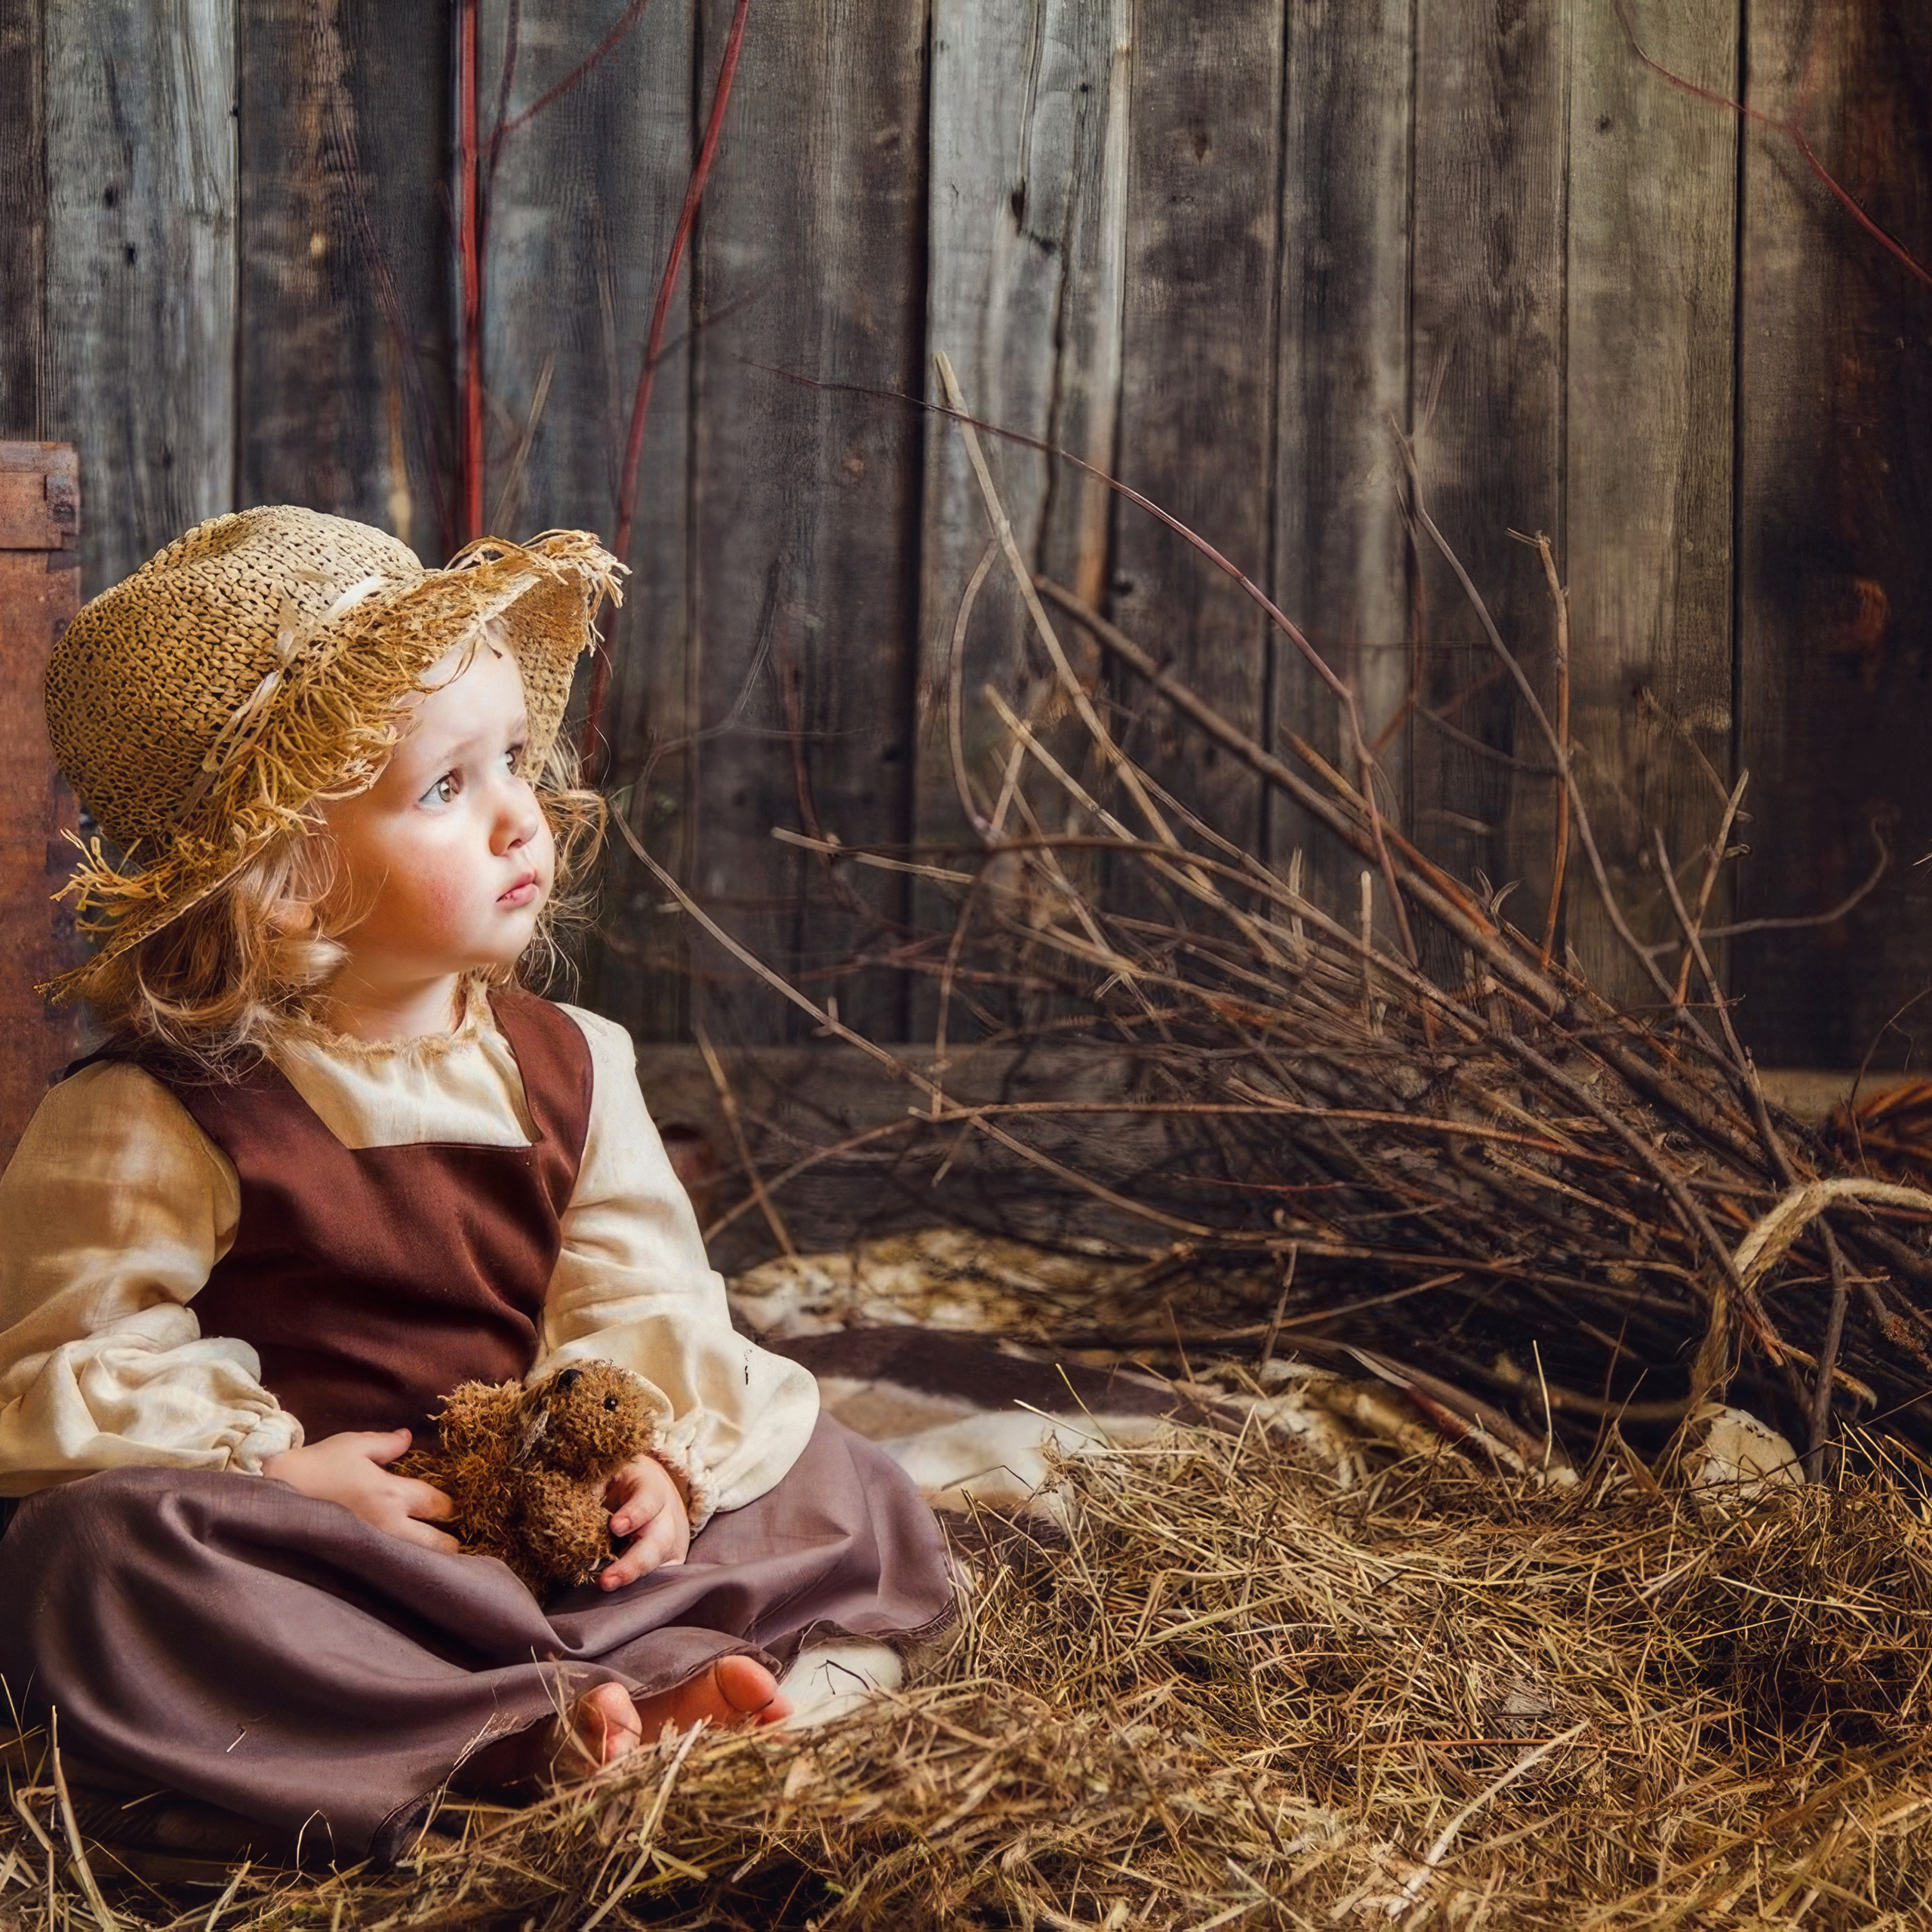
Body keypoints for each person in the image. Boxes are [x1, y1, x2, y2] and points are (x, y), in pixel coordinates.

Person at [0, 507, 954, 1864]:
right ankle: (518, 1735)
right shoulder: (152, 1113)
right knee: (89, 1560)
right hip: (345, 1573)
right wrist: (282, 1474)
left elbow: (639, 1296)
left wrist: (656, 1466)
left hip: (561, 1541)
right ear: (290, 880)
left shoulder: (575, 1063)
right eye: (448, 788)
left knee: (835, 1468)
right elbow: (64, 1361)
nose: (524, 812)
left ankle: (677, 1692)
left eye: (514, 757)